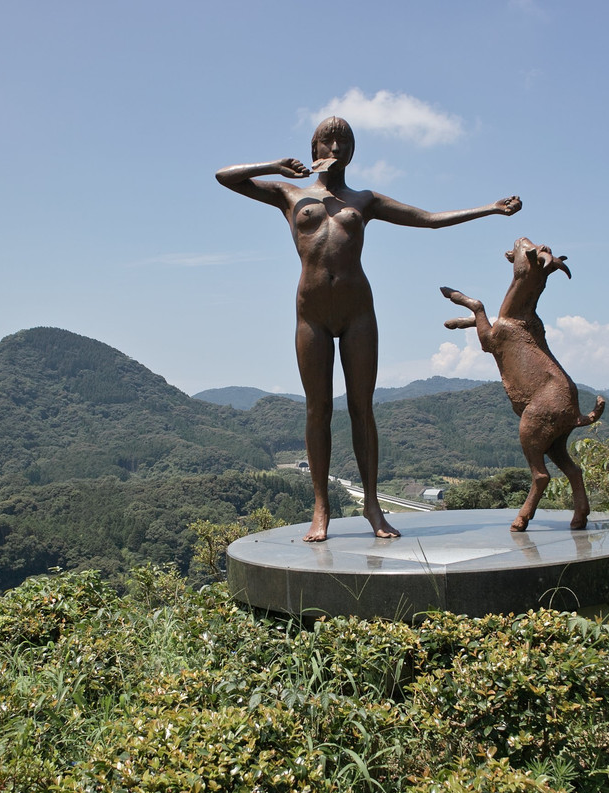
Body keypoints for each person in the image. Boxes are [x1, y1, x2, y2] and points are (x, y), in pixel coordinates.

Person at [216, 117, 521, 542]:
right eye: (330, 140)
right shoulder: (288, 194)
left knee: (363, 408)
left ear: (354, 150)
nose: (338, 147)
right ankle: (320, 506)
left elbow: (429, 218)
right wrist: (276, 166)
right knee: (316, 408)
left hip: (359, 314)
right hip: (312, 315)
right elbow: (223, 176)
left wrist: (489, 208)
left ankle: (374, 506)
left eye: (346, 141)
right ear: (314, 145)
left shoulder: (365, 199)